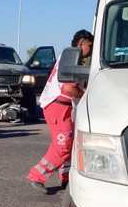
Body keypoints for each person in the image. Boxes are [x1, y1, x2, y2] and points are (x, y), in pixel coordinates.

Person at [27, 30, 93, 193]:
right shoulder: (72, 57)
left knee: (69, 143)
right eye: (90, 46)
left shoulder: (70, 56)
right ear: (81, 43)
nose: (91, 50)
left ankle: (66, 177)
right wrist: (87, 95)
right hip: (57, 105)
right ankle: (37, 175)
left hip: (62, 106)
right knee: (63, 145)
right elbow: (69, 89)